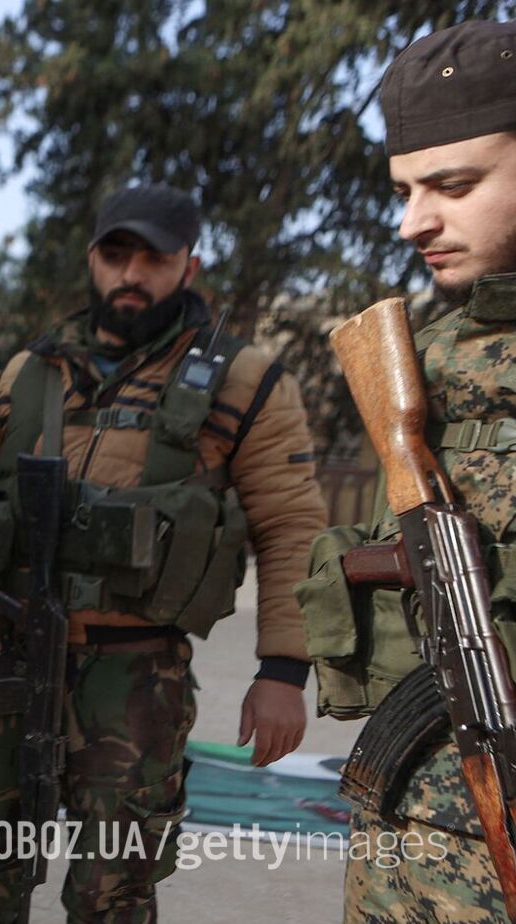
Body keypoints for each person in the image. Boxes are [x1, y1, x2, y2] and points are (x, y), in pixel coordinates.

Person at [0, 183, 327, 921]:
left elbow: (291, 529)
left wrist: (284, 671)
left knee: (111, 891)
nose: (132, 273)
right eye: (116, 254)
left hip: (138, 678)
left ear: (189, 267)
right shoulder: (29, 373)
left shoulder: (246, 380)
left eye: (154, 257)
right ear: (93, 259)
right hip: (11, 656)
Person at [300, 20, 516, 923]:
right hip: (400, 837)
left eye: (454, 185)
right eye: (404, 189)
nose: (412, 221)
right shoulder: (420, 360)